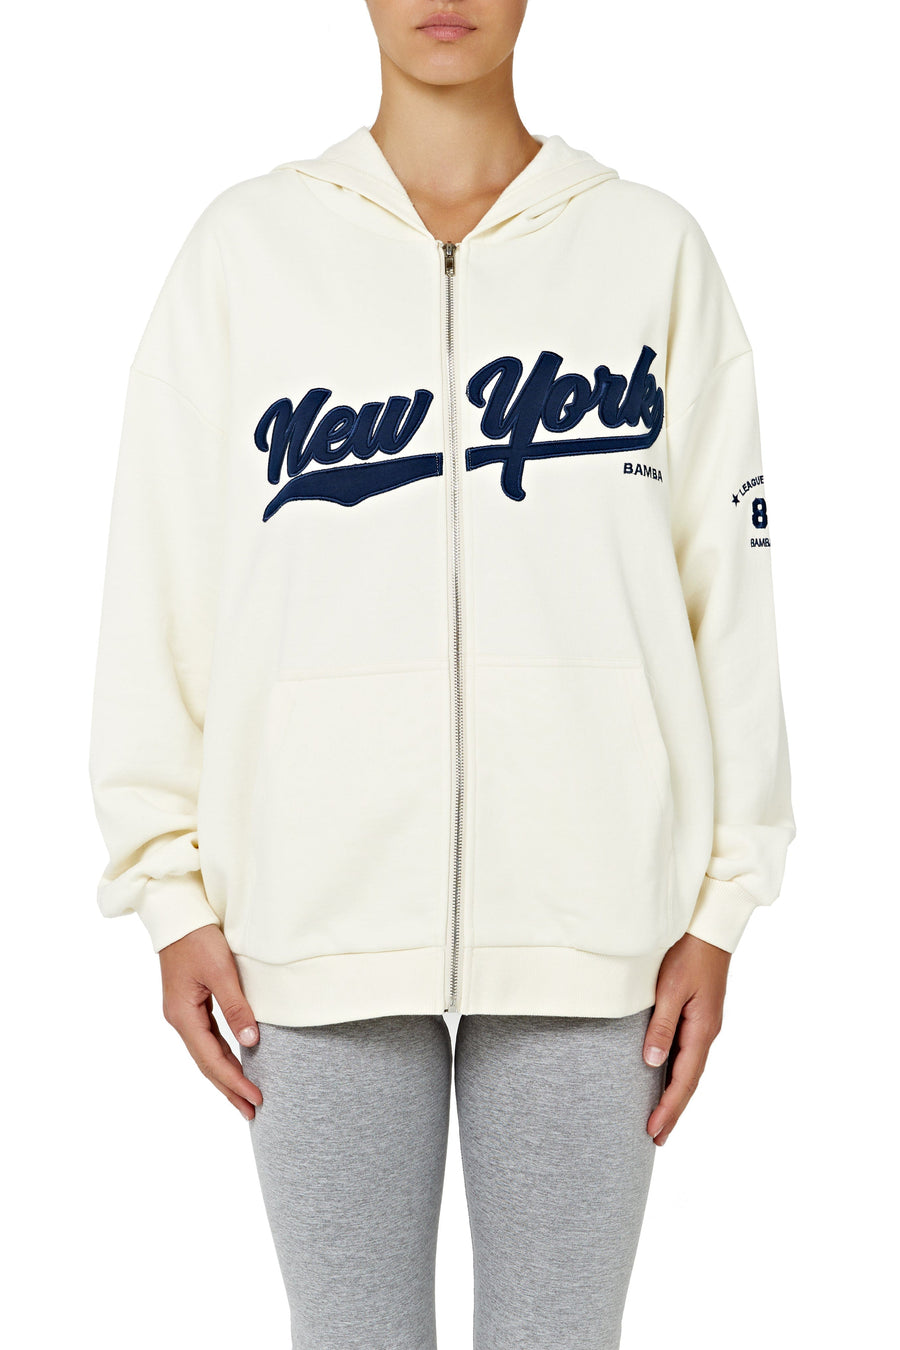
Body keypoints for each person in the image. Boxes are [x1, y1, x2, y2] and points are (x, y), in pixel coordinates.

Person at [87, 2, 797, 1346]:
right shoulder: (244, 254)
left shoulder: (649, 252)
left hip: (599, 924)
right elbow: (158, 585)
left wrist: (722, 904)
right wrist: (166, 891)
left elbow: (731, 600)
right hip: (311, 921)